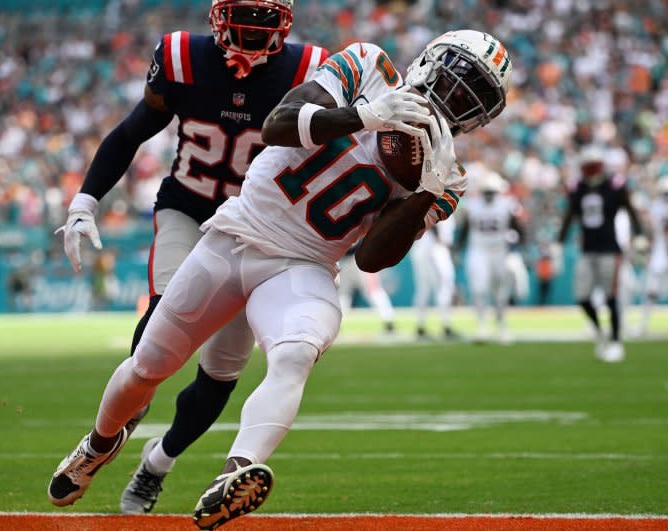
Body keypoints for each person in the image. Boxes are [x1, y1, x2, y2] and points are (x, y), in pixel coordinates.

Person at [48, 29, 511, 530]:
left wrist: (426, 190)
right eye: (456, 78)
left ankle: (236, 472)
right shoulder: (369, 66)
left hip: (304, 266)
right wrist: (366, 115)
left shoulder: (450, 176)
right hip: (238, 235)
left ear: (481, 116)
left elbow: (375, 257)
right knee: (147, 367)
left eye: (474, 97)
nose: (455, 97)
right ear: (429, 60)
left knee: (295, 352)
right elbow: (277, 125)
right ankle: (99, 444)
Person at [51, 0, 327, 514]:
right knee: (161, 323)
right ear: (220, 14)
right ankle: (106, 438)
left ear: (283, 20)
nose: (250, 27)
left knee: (219, 375)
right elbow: (132, 131)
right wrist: (86, 199)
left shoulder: (311, 70)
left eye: (262, 16)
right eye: (242, 13)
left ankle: (158, 461)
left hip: (259, 231)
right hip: (188, 208)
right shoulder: (181, 56)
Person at [557, 145, 643, 362]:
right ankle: (599, 330)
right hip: (587, 249)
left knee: (610, 297)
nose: (591, 172)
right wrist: (558, 242)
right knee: (582, 297)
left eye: (594, 167)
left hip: (609, 249)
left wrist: (640, 233)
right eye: (588, 167)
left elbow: (630, 209)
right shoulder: (579, 189)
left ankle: (615, 340)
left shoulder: (614, 186)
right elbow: (570, 215)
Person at [457, 171, 524, 344]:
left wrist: (518, 248)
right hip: (478, 250)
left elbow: (518, 228)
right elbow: (465, 229)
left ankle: (502, 325)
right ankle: (481, 326)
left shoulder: (507, 205)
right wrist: (457, 249)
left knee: (500, 293)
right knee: (479, 290)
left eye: (491, 192)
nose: (489, 196)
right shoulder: (473, 205)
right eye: (486, 192)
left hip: (499, 251)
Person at [637, 174, 668, 336]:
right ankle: (644, 324)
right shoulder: (656, 206)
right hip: (661, 249)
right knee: (651, 289)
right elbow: (653, 230)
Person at [410, 216, 459, 339]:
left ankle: (421, 325)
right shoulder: (442, 201)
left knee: (425, 288)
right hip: (433, 248)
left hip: (424, 247)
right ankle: (445, 325)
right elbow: (434, 220)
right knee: (443, 287)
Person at [337, 247, 397, 335]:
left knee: (373, 291)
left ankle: (388, 320)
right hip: (345, 260)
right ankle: (337, 324)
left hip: (360, 257)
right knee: (343, 294)